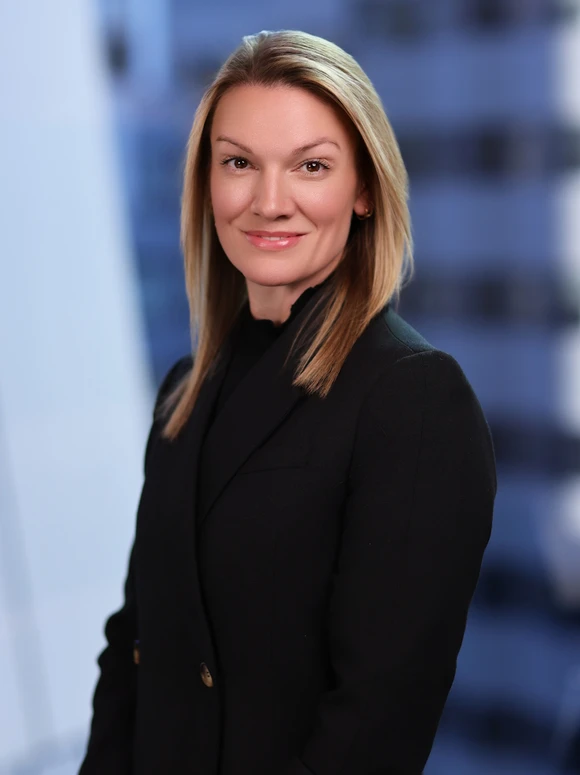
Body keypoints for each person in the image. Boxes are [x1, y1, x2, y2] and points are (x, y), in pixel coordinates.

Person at [78, 29, 497, 775]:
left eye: (310, 166)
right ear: (207, 185)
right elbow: (136, 648)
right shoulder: (185, 391)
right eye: (239, 163)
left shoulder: (415, 399)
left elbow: (375, 724)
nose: (270, 202)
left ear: (364, 188)